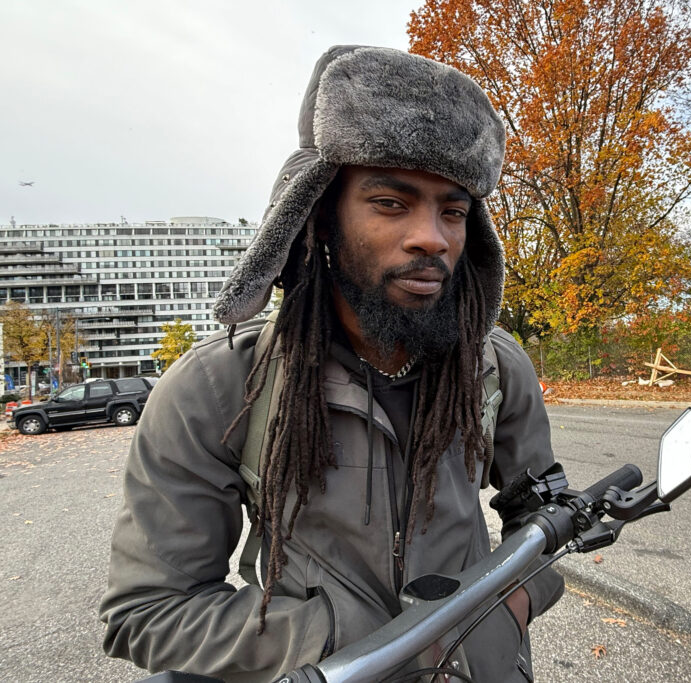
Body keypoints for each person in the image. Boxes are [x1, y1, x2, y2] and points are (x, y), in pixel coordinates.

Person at [100, 45, 563, 682]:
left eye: (452, 210)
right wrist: (355, 638)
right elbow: (150, 611)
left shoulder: (495, 368)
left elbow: (540, 512)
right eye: (391, 203)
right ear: (319, 215)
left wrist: (514, 603)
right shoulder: (217, 389)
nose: (432, 235)